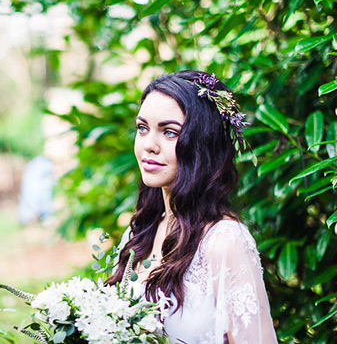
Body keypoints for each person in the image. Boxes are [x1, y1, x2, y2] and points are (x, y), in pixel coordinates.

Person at [106, 70, 277, 344]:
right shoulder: (138, 235)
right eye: (142, 128)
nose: (149, 145)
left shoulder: (224, 242)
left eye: (170, 132)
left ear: (202, 143)